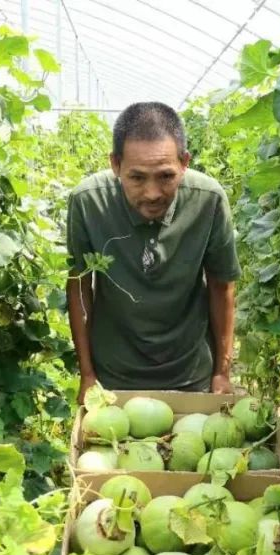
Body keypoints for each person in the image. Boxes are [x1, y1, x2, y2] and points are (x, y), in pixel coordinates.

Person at [65, 102, 241, 403]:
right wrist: (88, 375)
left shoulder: (208, 200)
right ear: (115, 164)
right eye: (136, 178)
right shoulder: (88, 202)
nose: (152, 193)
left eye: (166, 176)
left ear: (184, 162)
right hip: (114, 378)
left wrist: (221, 373)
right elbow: (79, 286)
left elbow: (221, 285)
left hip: (190, 375)